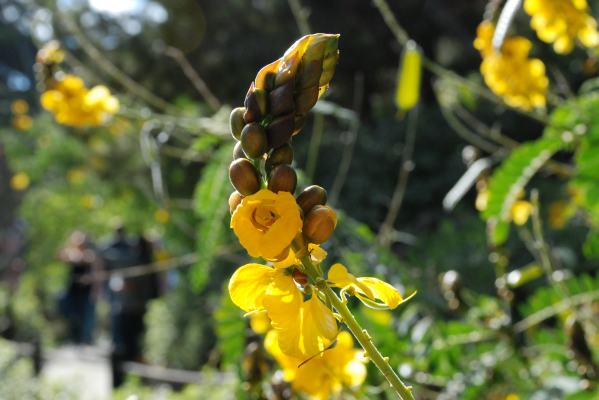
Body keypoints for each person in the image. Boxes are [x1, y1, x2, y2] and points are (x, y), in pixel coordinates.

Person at [58, 231, 101, 344]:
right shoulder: (71, 253)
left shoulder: (90, 254)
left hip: (86, 292)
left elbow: (95, 270)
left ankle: (86, 339)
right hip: (73, 291)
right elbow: (62, 256)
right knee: (71, 315)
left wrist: (95, 290)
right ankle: (73, 338)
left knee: (87, 317)